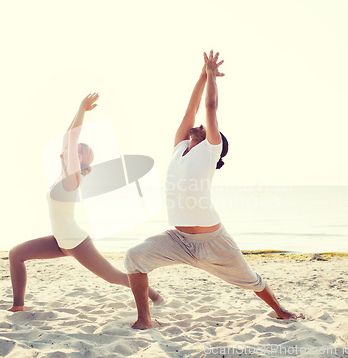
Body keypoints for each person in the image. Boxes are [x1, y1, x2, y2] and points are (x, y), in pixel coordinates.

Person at [124, 51, 299, 329]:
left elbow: (210, 106)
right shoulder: (180, 147)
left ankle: (280, 310)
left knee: (249, 279)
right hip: (177, 239)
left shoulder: (208, 152)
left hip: (213, 241)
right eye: (202, 127)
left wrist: (212, 79)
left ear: (214, 145)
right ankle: (144, 319)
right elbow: (190, 109)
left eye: (207, 129)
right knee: (134, 257)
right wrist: (201, 75)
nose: (201, 126)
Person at [8, 93, 162, 312]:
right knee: (16, 254)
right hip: (60, 241)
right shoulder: (62, 176)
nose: (68, 149)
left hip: (76, 241)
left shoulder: (72, 179)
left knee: (115, 277)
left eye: (74, 150)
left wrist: (81, 110)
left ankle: (155, 296)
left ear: (79, 159)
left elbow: (70, 139)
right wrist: (77, 113)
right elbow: (66, 140)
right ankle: (18, 306)